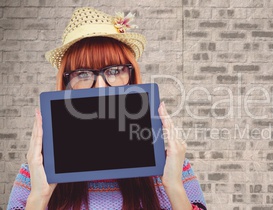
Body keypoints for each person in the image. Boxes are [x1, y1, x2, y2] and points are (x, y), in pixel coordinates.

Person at [7, 7, 207, 210]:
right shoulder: (35, 173)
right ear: (66, 84)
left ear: (131, 77)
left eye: (114, 70)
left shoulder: (172, 166)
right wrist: (39, 197)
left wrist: (173, 186)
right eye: (83, 74)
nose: (101, 87)